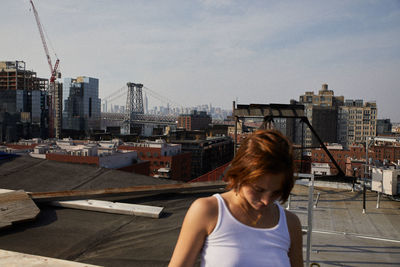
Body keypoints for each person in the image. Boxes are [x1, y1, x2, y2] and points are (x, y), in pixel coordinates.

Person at [169, 129, 303, 267]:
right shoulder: (208, 211)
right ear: (240, 174)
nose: (266, 200)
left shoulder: (290, 224)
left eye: (276, 193)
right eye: (258, 190)